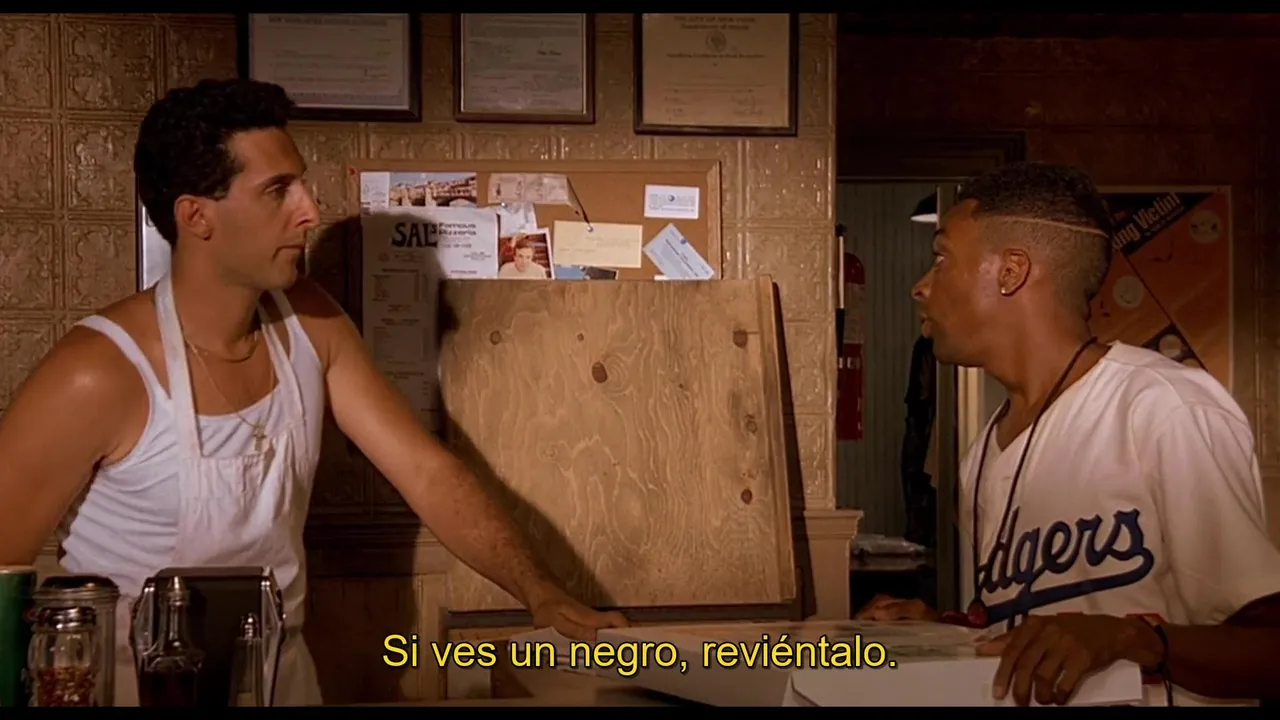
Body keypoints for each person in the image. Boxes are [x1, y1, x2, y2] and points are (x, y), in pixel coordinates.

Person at [0, 79, 625, 706]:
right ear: (197, 216)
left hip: (282, 679)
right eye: (277, 191)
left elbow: (426, 473)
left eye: (300, 184)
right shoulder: (98, 371)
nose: (308, 210)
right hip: (141, 690)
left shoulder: (310, 324)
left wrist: (541, 593)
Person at [856, 162, 1280, 706]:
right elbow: (1038, 628)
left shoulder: (1163, 407)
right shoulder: (982, 451)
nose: (920, 286)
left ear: (1011, 271)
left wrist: (1132, 639)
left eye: (941, 259)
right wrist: (945, 632)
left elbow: (1268, 648)